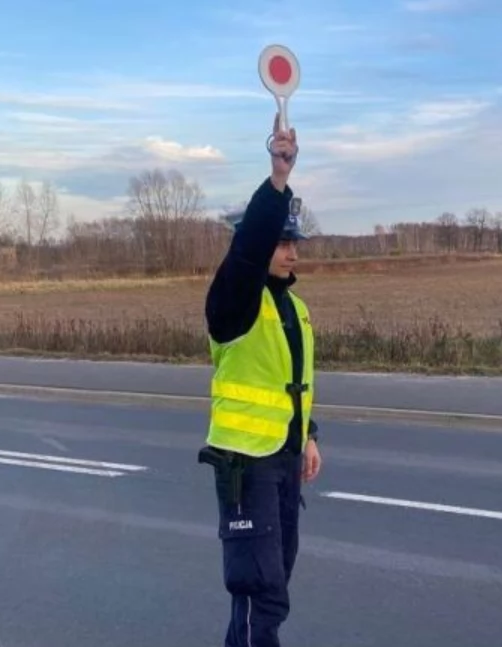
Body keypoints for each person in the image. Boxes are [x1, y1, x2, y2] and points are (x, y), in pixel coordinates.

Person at [200, 114, 322, 647]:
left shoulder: (292, 306)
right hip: (246, 464)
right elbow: (248, 249)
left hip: (283, 459)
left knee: (273, 588)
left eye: (294, 242)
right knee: (260, 591)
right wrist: (277, 180)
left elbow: (290, 380)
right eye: (282, 242)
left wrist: (309, 435)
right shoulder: (235, 300)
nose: (292, 251)